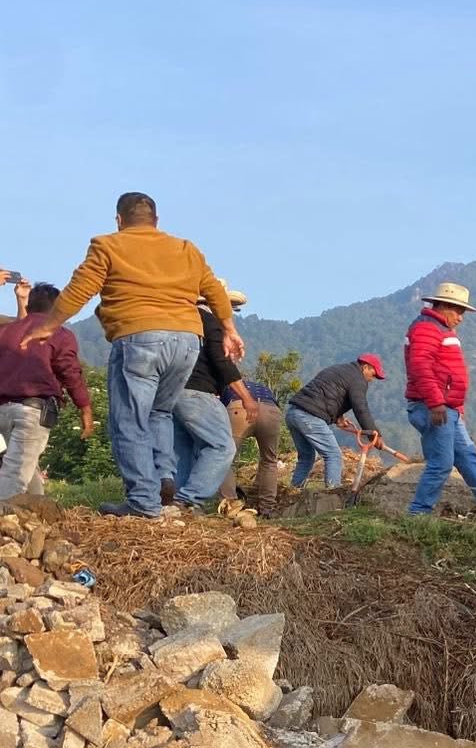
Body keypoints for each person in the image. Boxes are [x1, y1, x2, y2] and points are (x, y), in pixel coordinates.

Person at [20, 193, 241, 518]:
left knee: (128, 421)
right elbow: (213, 290)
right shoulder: (186, 249)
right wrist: (229, 328)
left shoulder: (108, 245)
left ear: (119, 221)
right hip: (187, 341)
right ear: (156, 220)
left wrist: (49, 325)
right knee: (160, 413)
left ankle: (143, 501)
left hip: (141, 337)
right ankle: (164, 475)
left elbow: (80, 288)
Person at [404, 283, 476, 515]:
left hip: (448, 409)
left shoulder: (441, 329)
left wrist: (456, 406)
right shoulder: (427, 329)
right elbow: (420, 367)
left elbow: (448, 372)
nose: (461, 318)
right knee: (441, 463)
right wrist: (436, 403)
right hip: (434, 407)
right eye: (459, 311)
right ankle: (418, 513)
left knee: (467, 454)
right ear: (444, 305)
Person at [0, 277, 94, 501]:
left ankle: (38, 515)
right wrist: (85, 408)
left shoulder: (5, 332)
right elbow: (70, 372)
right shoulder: (59, 334)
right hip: (33, 410)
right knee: (15, 473)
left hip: (3, 410)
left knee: (25, 466)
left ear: (29, 306)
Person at [170, 283, 256, 510]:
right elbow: (222, 362)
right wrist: (246, 397)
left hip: (172, 393)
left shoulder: (182, 321)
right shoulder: (210, 322)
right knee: (222, 447)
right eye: (230, 307)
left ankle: (178, 505)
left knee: (183, 450)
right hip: (198, 392)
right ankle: (188, 499)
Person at [286, 356, 385, 490]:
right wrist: (374, 434)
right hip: (310, 417)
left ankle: (293, 492)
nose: (371, 379)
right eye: (372, 374)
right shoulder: (358, 379)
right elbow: (361, 408)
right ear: (365, 367)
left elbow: (327, 394)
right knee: (333, 455)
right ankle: (332, 494)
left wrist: (338, 417)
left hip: (293, 413)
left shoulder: (338, 370)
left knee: (307, 457)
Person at [221, 377, 283, 516]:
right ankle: (267, 508)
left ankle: (230, 506)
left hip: (240, 407)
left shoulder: (229, 385)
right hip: (271, 411)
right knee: (269, 461)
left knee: (227, 460)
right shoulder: (262, 387)